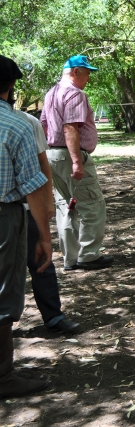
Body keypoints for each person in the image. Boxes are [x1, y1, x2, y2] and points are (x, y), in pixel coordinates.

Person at [0, 55, 53, 397]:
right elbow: (34, 187)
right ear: (10, 86)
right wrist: (44, 236)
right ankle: (3, 376)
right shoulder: (17, 126)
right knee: (3, 292)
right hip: (4, 217)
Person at [40, 55, 111, 271]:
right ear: (76, 71)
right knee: (92, 205)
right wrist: (77, 162)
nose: (88, 78)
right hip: (70, 156)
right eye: (87, 73)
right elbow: (70, 127)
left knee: (66, 206)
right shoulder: (74, 93)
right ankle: (89, 256)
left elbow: (43, 125)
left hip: (53, 155)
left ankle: (70, 258)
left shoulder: (51, 93)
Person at [14, 109, 80, 333]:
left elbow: (43, 163)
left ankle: (53, 316)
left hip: (26, 206)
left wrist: (48, 200)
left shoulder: (28, 122)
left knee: (41, 260)